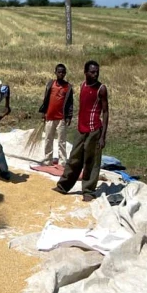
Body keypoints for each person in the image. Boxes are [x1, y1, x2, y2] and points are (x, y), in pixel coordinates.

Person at [53, 60, 109, 202]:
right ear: (85, 73)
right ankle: (63, 186)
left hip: (94, 130)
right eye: (92, 72)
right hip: (81, 129)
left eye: (97, 71)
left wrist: (103, 136)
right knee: (74, 159)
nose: (95, 74)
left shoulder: (101, 89)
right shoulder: (83, 86)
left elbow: (106, 112)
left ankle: (88, 191)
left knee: (91, 161)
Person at [38, 63, 73, 166]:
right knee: (48, 139)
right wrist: (44, 112)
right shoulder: (50, 84)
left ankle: (62, 161)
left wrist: (69, 116)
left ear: (65, 73)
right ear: (55, 73)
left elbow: (70, 103)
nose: (61, 74)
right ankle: (48, 159)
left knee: (61, 141)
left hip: (61, 118)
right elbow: (46, 99)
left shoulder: (68, 87)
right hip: (50, 116)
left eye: (63, 72)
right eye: (59, 72)